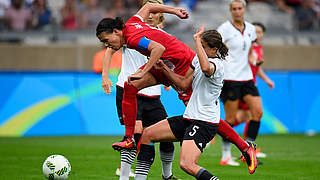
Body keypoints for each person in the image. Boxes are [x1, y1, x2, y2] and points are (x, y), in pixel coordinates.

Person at [96, 2, 257, 174]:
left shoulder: (133, 37)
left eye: (107, 40)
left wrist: (143, 72)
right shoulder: (133, 23)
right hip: (167, 66)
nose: (108, 45)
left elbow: (158, 48)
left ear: (115, 31)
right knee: (130, 86)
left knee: (201, 115)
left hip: (183, 66)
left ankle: (245, 147)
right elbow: (149, 6)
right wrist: (175, 11)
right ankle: (129, 138)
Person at [134, 25, 254, 180]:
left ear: (214, 49)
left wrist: (197, 41)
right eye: (200, 47)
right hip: (191, 117)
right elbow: (184, 84)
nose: (200, 50)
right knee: (148, 134)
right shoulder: (198, 60)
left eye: (204, 47)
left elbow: (205, 68)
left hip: (204, 122)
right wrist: (164, 68)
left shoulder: (218, 65)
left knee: (187, 164)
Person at [101, 1, 180, 179]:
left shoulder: (162, 36)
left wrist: (166, 78)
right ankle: (124, 174)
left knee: (166, 139)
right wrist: (105, 76)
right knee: (136, 136)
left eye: (155, 11)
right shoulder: (132, 29)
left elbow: (167, 61)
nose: (151, 15)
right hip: (129, 90)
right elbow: (110, 50)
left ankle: (167, 175)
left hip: (152, 95)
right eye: (149, 11)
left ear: (161, 15)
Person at [217, 0, 263, 166]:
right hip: (230, 79)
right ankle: (226, 156)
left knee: (257, 113)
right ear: (230, 11)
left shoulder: (251, 29)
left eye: (240, 8)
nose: (237, 11)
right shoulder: (224, 29)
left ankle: (248, 151)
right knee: (230, 118)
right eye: (234, 9)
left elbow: (249, 52)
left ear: (244, 9)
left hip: (247, 78)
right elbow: (215, 49)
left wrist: (254, 60)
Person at [232, 22, 274, 161]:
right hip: (243, 86)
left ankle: (248, 150)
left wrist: (267, 80)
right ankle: (248, 150)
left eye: (260, 32)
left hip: (251, 85)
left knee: (247, 116)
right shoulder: (245, 46)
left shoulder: (258, 47)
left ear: (263, 34)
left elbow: (258, 68)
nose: (257, 34)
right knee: (253, 115)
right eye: (254, 31)